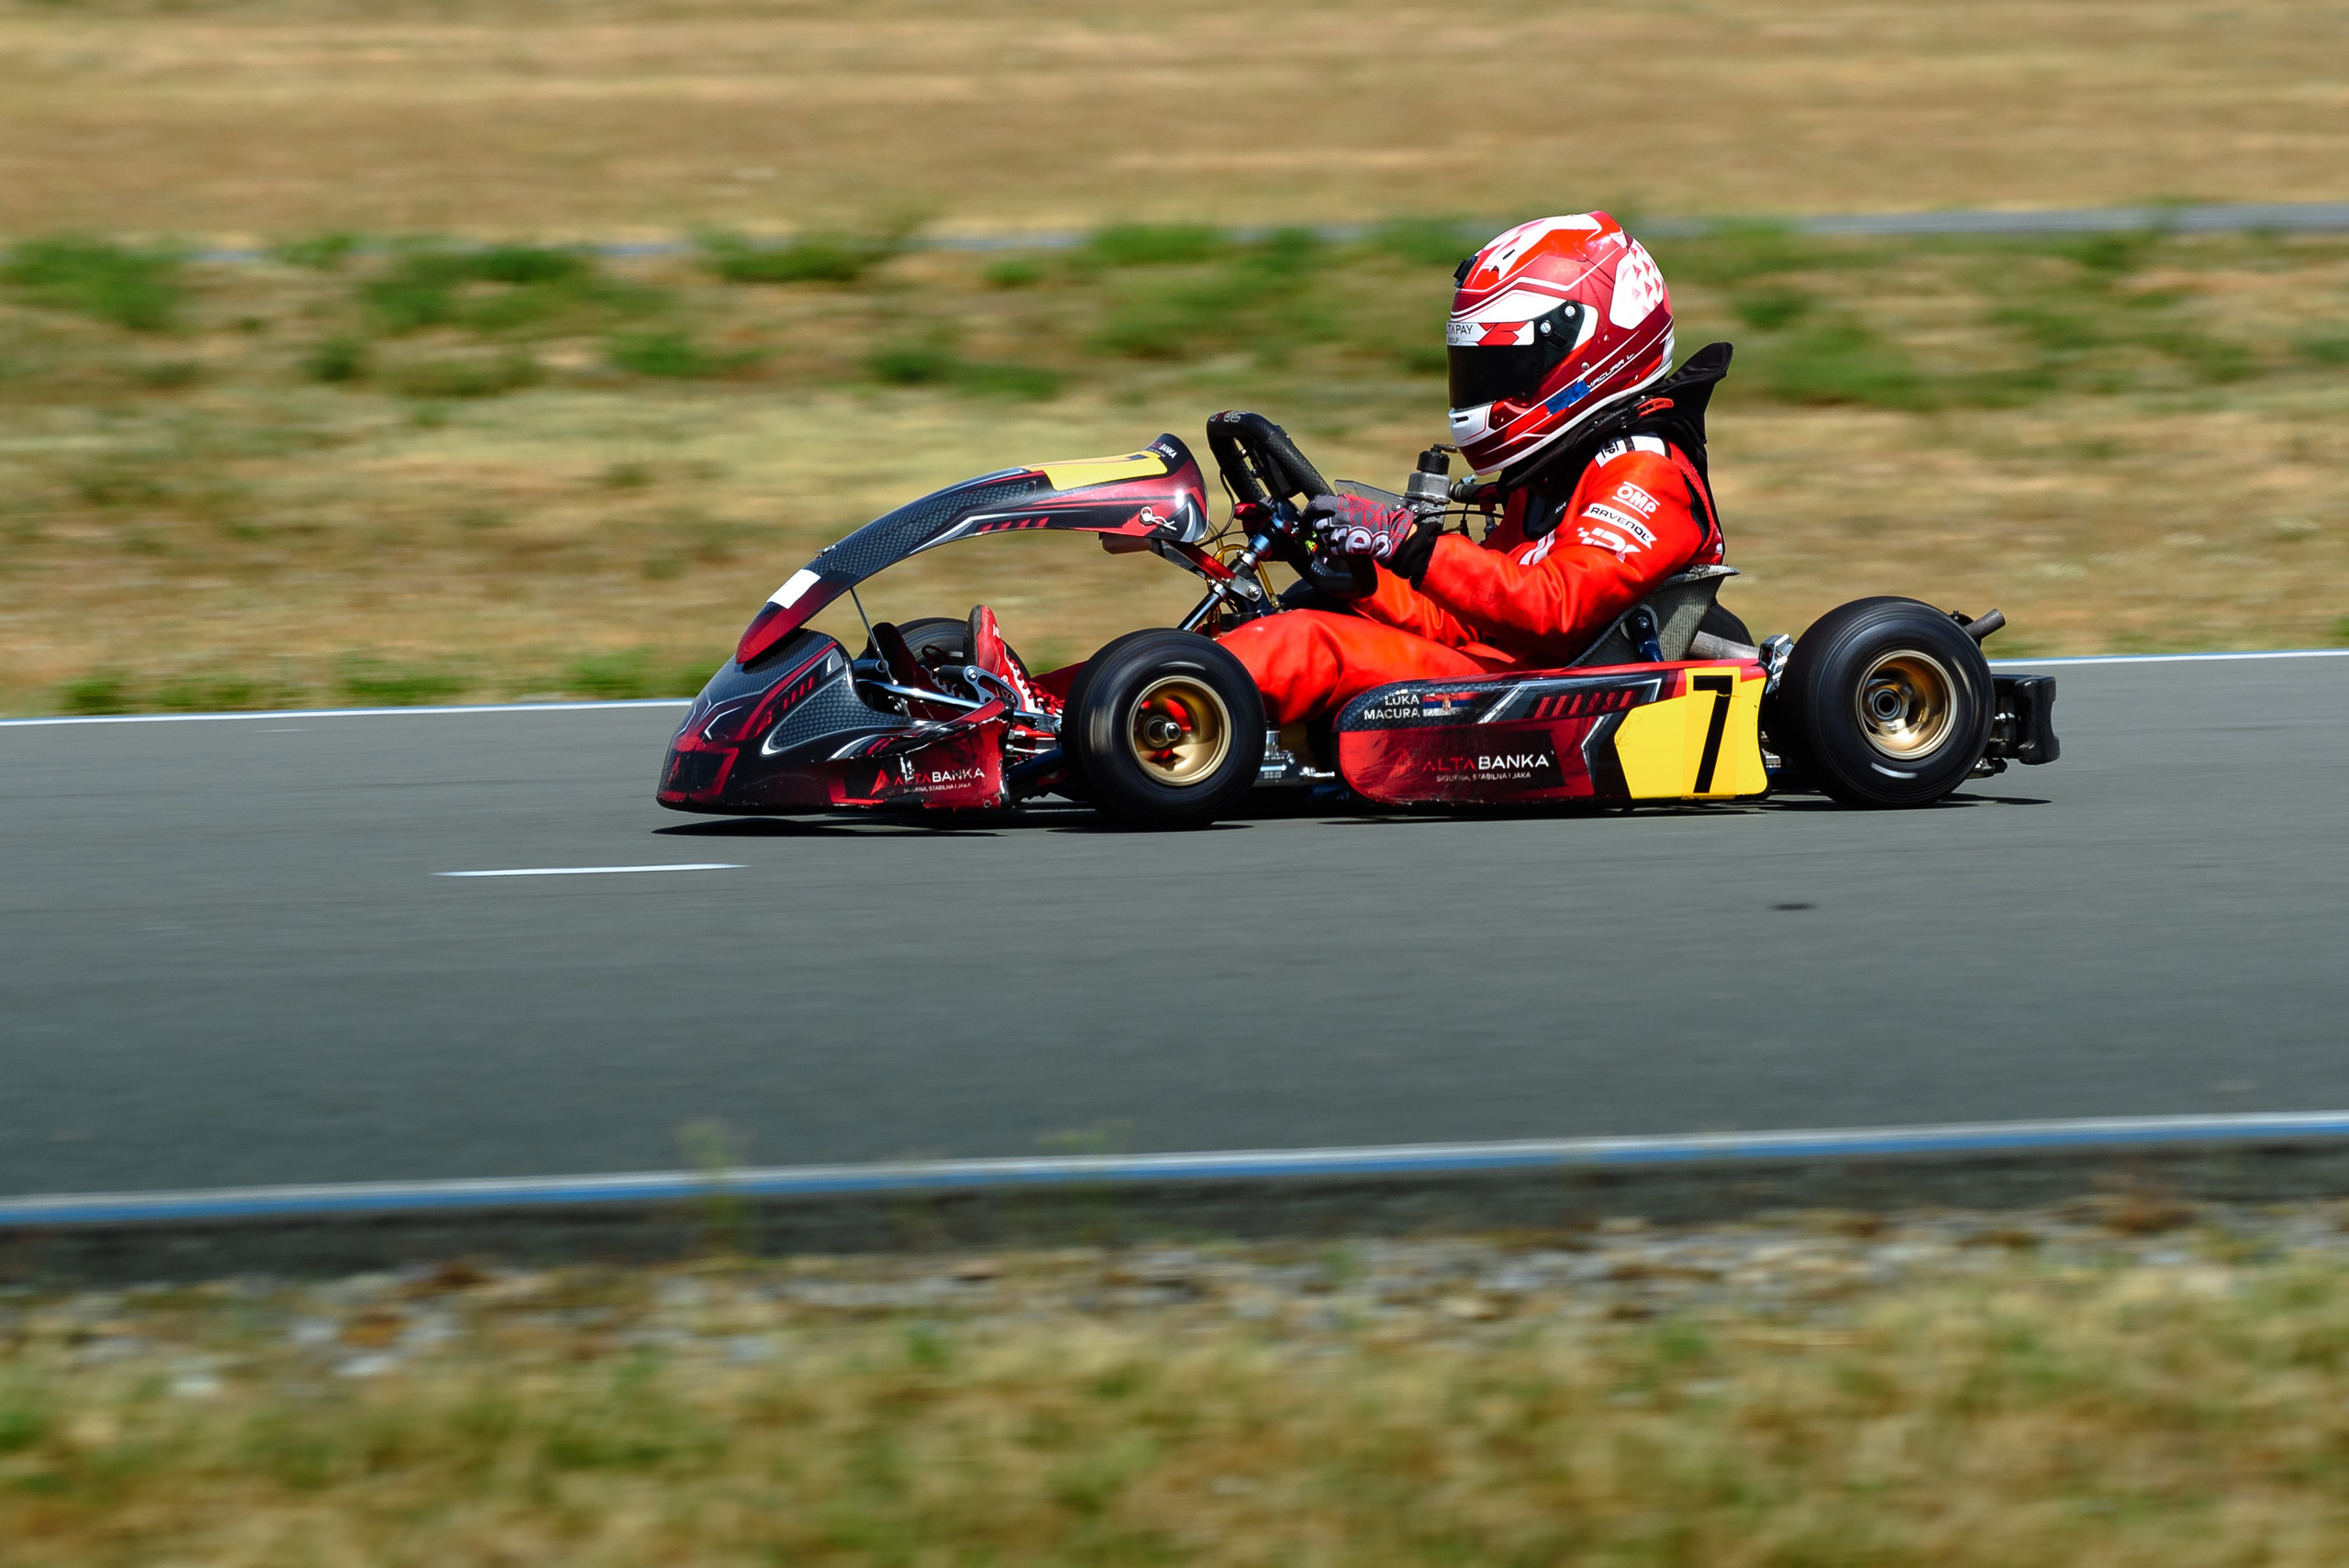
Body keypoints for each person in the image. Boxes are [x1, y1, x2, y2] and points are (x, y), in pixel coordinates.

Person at [1217, 212, 1731, 727]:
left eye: (1505, 365)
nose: (1483, 386)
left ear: (1589, 351)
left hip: (1553, 701)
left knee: (1307, 641)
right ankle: (1187, 689)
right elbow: (1468, 620)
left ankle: (1175, 696)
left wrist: (1415, 546)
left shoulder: (1646, 472)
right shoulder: (1554, 470)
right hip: (1507, 673)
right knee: (1309, 611)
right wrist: (1359, 573)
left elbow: (1553, 609)